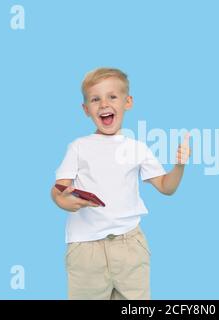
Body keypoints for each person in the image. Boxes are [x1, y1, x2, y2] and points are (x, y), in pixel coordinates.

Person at [50, 67, 190, 299]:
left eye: (112, 96)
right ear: (86, 109)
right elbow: (58, 189)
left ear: (128, 102)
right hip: (86, 250)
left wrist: (179, 166)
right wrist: (64, 201)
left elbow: (166, 187)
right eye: (95, 99)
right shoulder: (78, 147)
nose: (104, 104)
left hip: (130, 246)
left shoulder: (137, 148)